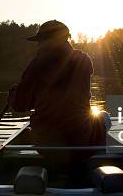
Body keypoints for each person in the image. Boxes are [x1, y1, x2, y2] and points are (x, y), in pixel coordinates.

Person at [8, 20, 107, 167]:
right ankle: (95, 165)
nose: (38, 45)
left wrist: (13, 95)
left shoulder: (36, 64)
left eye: (41, 41)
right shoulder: (84, 60)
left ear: (50, 41)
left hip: (46, 145)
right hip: (81, 142)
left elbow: (20, 105)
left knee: (38, 130)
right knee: (103, 117)